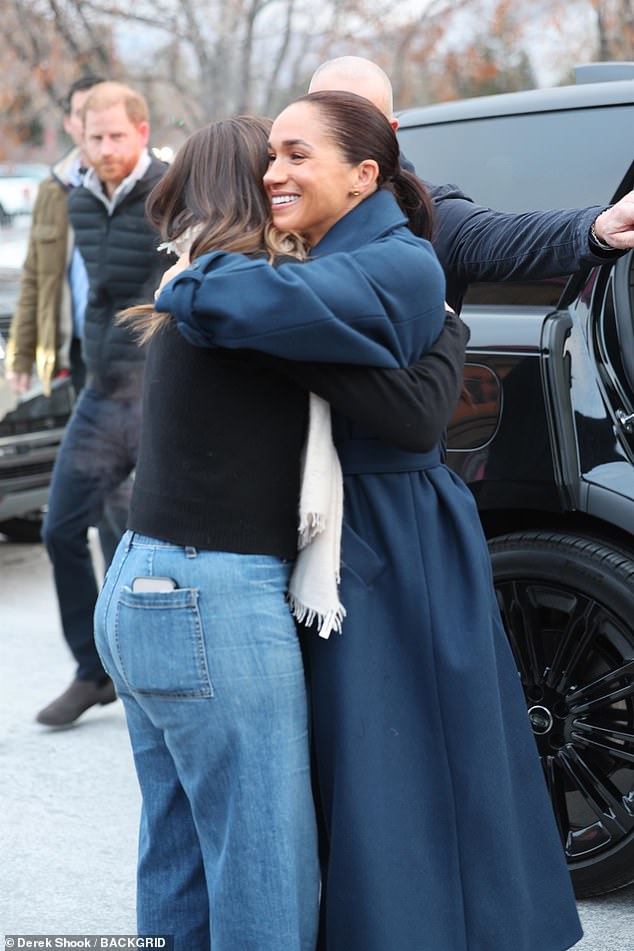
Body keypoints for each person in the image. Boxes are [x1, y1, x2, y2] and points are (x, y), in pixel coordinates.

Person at [155, 91, 584, 951]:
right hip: (351, 532)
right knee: (372, 768)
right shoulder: (331, 251)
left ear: (364, 173)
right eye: (270, 155)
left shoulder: (391, 259)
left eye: (295, 154)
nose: (273, 172)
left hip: (395, 537)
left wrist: (190, 276)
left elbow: (396, 403)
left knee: (401, 765)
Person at [93, 114, 464, 951]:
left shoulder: (207, 282)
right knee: (267, 876)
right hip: (209, 600)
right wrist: (448, 326)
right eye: (273, 162)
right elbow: (412, 414)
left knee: (180, 856)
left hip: (143, 586)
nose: (281, 177)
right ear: (247, 183)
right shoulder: (248, 301)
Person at [36, 81, 168, 728]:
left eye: (118, 135)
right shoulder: (75, 196)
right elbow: (80, 284)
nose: (106, 148)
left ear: (142, 133)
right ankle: (93, 671)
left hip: (159, 395)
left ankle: (156, 668)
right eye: (95, 137)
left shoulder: (172, 189)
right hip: (100, 392)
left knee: (156, 541)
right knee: (60, 529)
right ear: (78, 138)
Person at [309, 56, 634, 315]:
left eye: (358, 119)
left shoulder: (427, 215)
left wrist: (598, 228)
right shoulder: (275, 200)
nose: (339, 131)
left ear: (390, 130)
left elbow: (508, 238)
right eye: (327, 114)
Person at [5, 75, 131, 573]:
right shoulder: (56, 190)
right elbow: (38, 274)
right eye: (85, 119)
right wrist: (23, 351)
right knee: (76, 511)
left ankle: (122, 623)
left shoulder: (147, 186)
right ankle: (89, 651)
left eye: (108, 123)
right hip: (77, 356)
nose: (95, 133)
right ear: (72, 123)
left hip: (131, 361)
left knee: (122, 500)